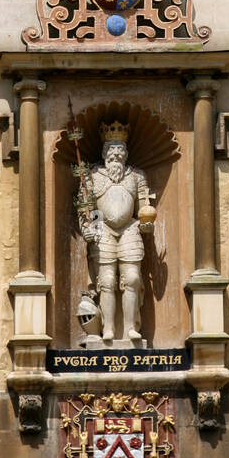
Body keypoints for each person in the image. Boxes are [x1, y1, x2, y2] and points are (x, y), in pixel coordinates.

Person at [82, 121, 155, 341]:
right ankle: (108, 329)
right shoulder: (92, 176)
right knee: (106, 281)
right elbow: (88, 209)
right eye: (111, 151)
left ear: (126, 153)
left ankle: (131, 327)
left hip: (130, 228)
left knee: (132, 278)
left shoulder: (137, 176)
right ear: (104, 153)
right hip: (103, 227)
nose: (116, 155)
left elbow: (144, 206)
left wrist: (146, 222)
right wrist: (89, 228)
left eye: (120, 151)